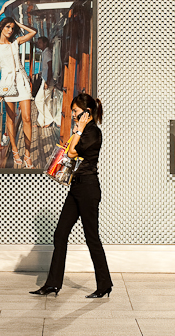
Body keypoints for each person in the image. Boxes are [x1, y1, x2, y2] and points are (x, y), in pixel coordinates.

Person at [30, 93, 113, 298]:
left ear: (87, 112)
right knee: (60, 234)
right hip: (76, 187)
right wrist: (77, 130)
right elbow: (68, 148)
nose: (73, 115)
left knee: (91, 237)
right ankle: (53, 284)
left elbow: (73, 152)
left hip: (88, 189)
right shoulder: (82, 130)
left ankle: (104, 284)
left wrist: (79, 130)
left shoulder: (93, 132)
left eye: (76, 111)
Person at [0, 9, 37, 168]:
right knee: (11, 118)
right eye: (7, 27)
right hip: (8, 85)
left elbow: (33, 32)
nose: (10, 30)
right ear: (1, 27)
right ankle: (15, 150)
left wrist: (18, 24)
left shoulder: (16, 42)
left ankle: (27, 154)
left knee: (27, 118)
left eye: (12, 28)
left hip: (21, 82)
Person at [33, 37, 55, 128]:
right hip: (45, 79)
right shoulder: (44, 52)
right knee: (44, 101)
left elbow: (50, 66)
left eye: (40, 42)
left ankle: (49, 120)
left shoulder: (47, 52)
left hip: (47, 80)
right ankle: (41, 122)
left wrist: (47, 81)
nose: (38, 44)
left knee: (38, 100)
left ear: (45, 43)